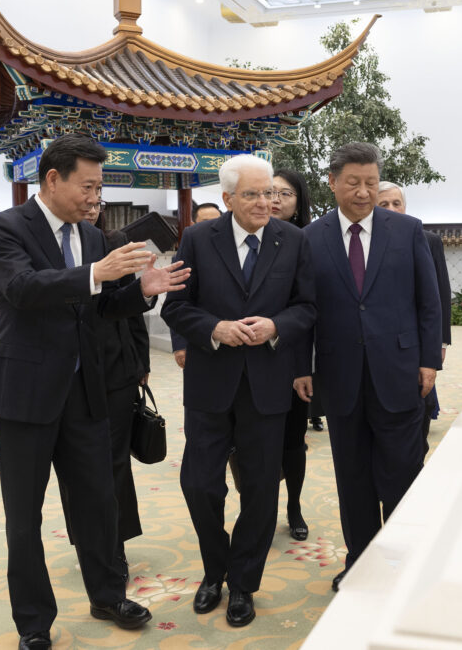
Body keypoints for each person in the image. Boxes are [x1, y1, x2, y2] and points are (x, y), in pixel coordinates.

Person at [0, 134, 189, 649]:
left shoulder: (93, 237)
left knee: (100, 501)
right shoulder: (5, 227)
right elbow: (23, 290)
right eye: (88, 186)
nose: (96, 197)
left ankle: (108, 594)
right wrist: (97, 274)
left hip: (88, 393)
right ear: (53, 179)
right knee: (24, 515)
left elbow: (99, 308)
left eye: (100, 187)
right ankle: (34, 622)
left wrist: (139, 291)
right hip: (26, 394)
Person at [161, 154, 315, 627]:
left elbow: (308, 307)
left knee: (262, 489)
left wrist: (275, 325)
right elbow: (176, 307)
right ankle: (215, 569)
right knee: (199, 484)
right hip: (211, 384)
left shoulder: (293, 240)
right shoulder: (196, 238)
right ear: (227, 199)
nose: (265, 202)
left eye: (269, 192)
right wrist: (215, 329)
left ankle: (243, 583)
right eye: (252, 194)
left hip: (267, 387)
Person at [294, 142, 441, 593]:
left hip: (399, 372)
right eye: (353, 182)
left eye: (371, 183)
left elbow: (429, 302)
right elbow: (302, 308)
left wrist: (429, 361)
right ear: (333, 182)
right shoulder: (309, 238)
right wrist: (302, 366)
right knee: (352, 477)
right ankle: (359, 559)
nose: (363, 192)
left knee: (401, 472)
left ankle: (402, 560)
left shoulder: (407, 230)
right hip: (339, 378)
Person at [58, 201, 150, 582]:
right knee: (73, 467)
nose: (92, 206)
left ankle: (116, 547)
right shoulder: (50, 246)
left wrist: (141, 362)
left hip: (116, 368)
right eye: (86, 195)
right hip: (68, 369)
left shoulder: (114, 244)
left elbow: (131, 310)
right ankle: (88, 544)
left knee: (115, 463)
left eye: (98, 201)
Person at [377, 181, 451, 460]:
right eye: (384, 204)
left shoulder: (426, 238)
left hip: (419, 339)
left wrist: (441, 342)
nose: (392, 209)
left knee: (420, 396)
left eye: (397, 203)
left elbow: (439, 294)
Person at [269, 168, 317, 540]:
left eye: (285, 194)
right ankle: (262, 507)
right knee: (256, 444)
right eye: (270, 192)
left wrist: (305, 367)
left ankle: (294, 505)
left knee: (292, 442)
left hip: (294, 359)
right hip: (249, 355)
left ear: (299, 201)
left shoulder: (308, 241)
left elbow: (310, 310)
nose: (275, 200)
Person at [174, 202, 223, 369]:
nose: (212, 226)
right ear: (193, 225)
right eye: (205, 222)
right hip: (199, 341)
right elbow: (177, 302)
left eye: (216, 221)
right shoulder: (185, 256)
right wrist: (180, 345)